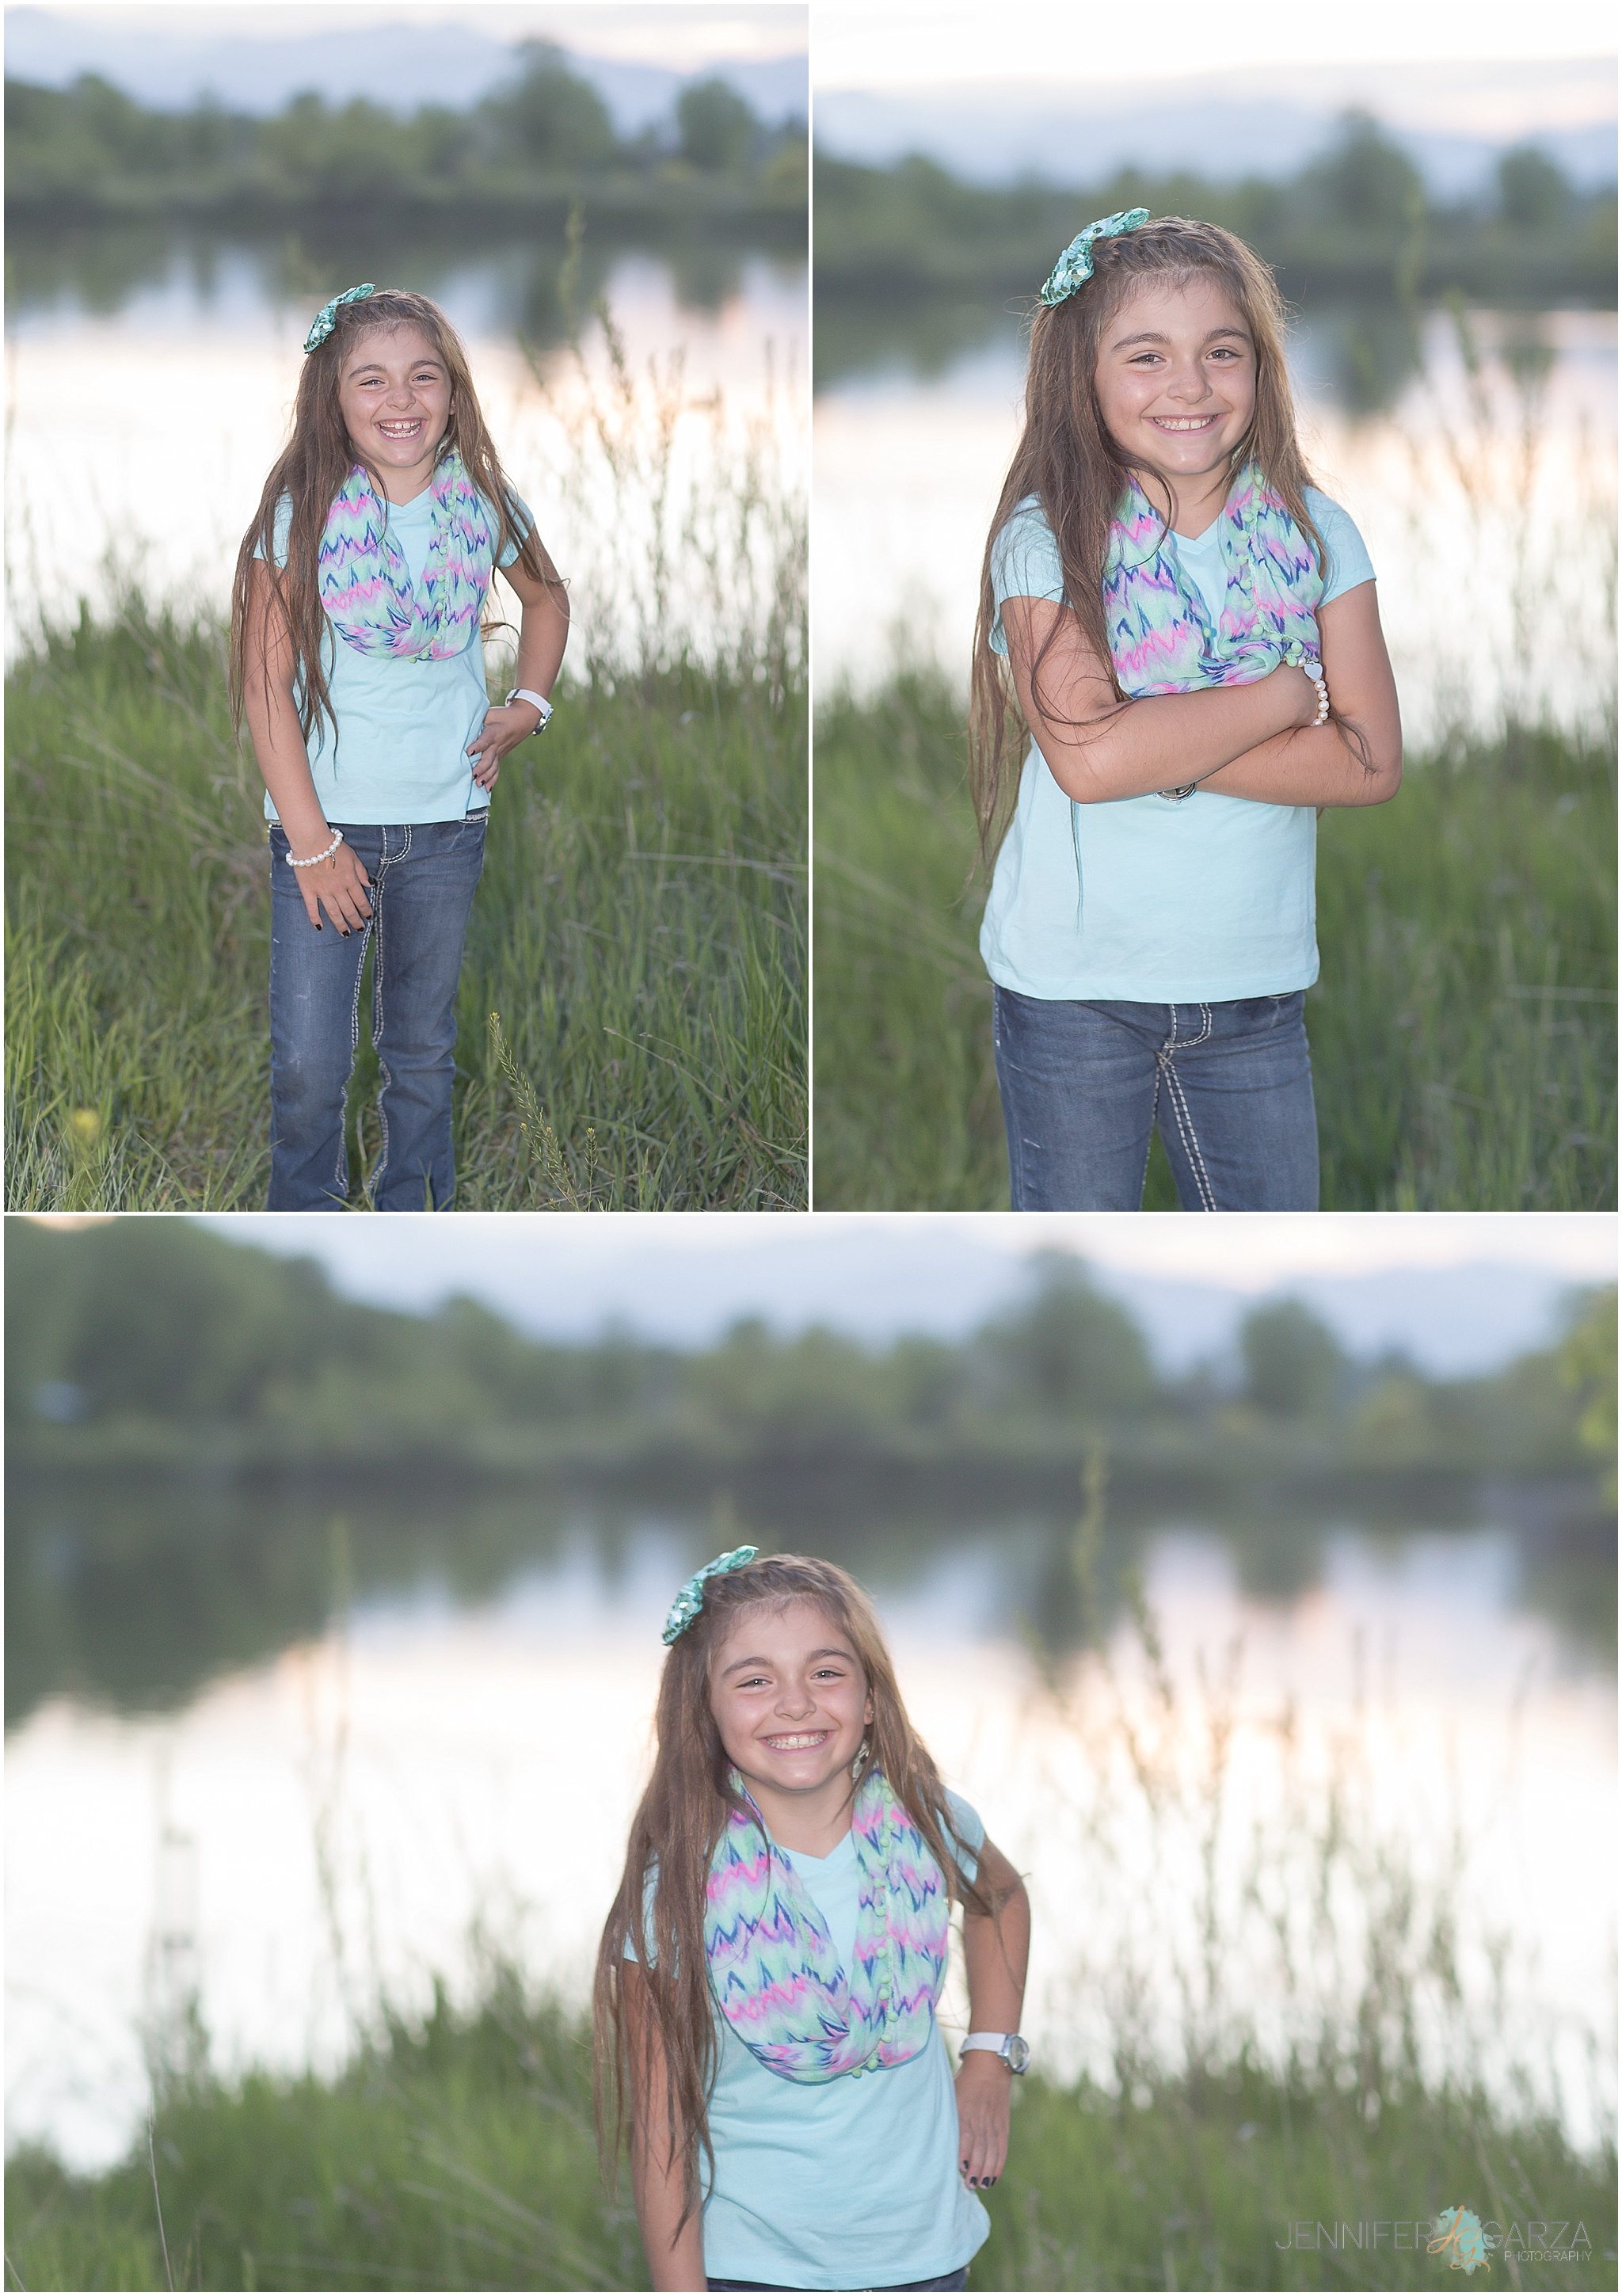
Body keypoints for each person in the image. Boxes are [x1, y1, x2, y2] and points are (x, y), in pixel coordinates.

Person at [970, 211, 1403, 1212]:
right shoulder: (1047, 543)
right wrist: (1282, 699)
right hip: (1075, 989)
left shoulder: (1315, 532)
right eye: (1145, 356)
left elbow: (1371, 762)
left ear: (1261, 363)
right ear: (1080, 375)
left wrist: (1148, 736)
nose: (1190, 387)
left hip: (1254, 986)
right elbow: (1085, 762)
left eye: (1221, 351)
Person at [594, 1547, 1032, 2292]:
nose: (795, 1703)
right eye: (755, 1680)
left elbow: (1000, 1899)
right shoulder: (674, 1895)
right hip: (753, 2272)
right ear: (704, 1711)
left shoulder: (925, 1820)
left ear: (870, 1698)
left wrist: (989, 2056)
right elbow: (662, 2135)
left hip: (928, 2261)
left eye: (825, 1672)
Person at [229, 282, 570, 1210]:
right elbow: (265, 691)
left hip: (446, 823)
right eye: (371, 381)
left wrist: (528, 702)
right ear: (331, 400)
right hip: (324, 829)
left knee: (420, 1052)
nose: (401, 401)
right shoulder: (301, 514)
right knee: (308, 1062)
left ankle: (413, 1218)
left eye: (424, 377)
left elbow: (546, 600)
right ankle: (304, 1219)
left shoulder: (487, 503)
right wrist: (311, 843)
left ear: (453, 393)